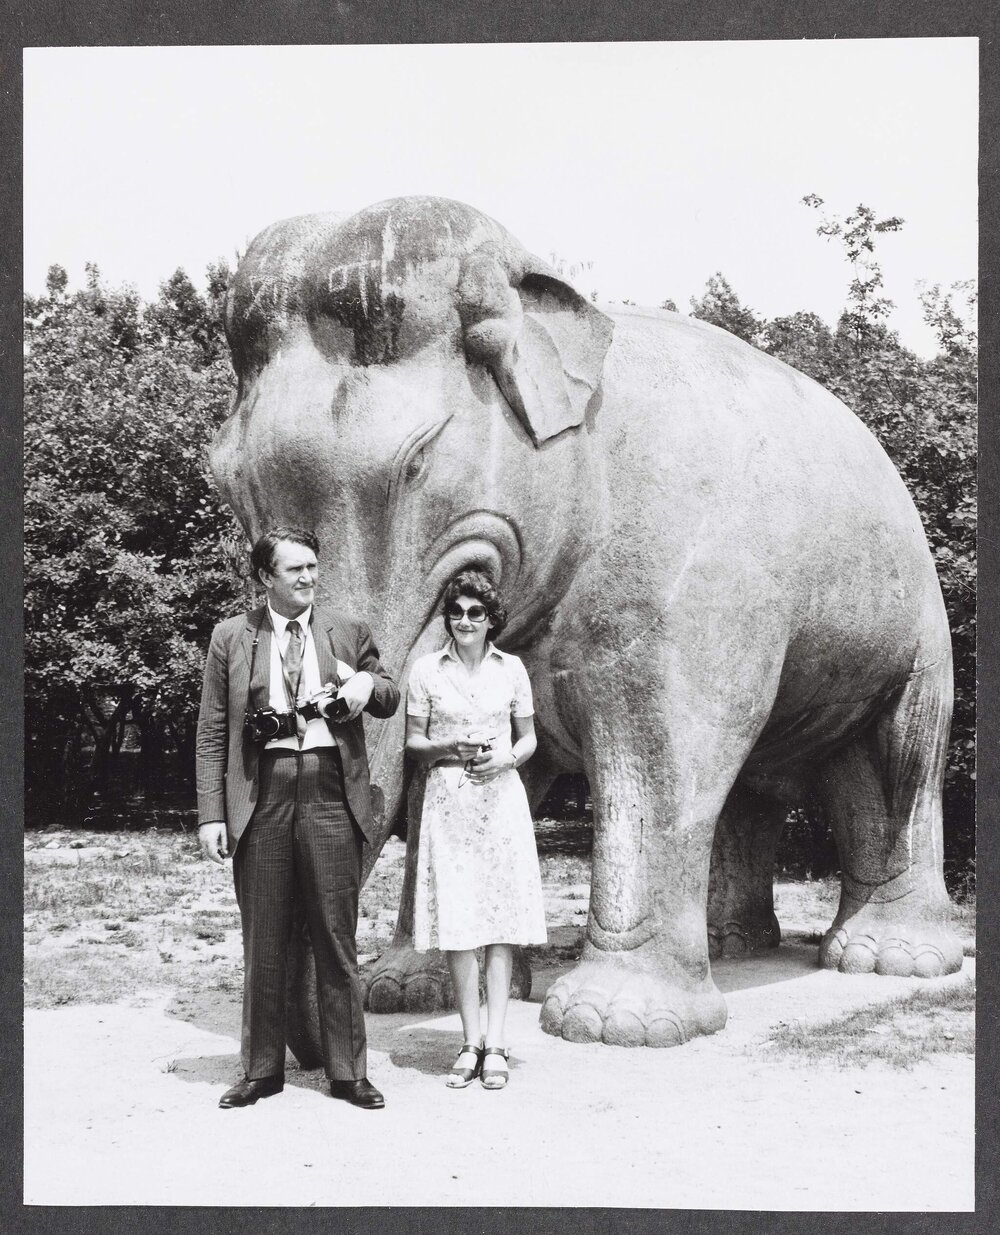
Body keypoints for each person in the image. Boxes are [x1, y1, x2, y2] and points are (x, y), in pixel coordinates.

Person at [196, 526, 399, 1110]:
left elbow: (388, 694)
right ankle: (261, 1070)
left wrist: (364, 683)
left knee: (336, 937)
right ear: (265, 577)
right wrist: (213, 813)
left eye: (313, 566)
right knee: (264, 938)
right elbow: (213, 731)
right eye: (295, 570)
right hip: (262, 796)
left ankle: (347, 1071)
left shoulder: (347, 630)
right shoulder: (232, 637)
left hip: (332, 792)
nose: (309, 578)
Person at [404, 569, 547, 1090]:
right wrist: (449, 749)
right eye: (457, 612)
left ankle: (498, 1043)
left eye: (475, 614)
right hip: (449, 801)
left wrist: (506, 760)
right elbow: (413, 742)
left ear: (491, 621)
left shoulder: (512, 670)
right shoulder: (425, 670)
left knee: (500, 922)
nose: (464, 621)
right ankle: (469, 1042)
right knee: (461, 923)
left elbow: (529, 738)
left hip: (501, 801)